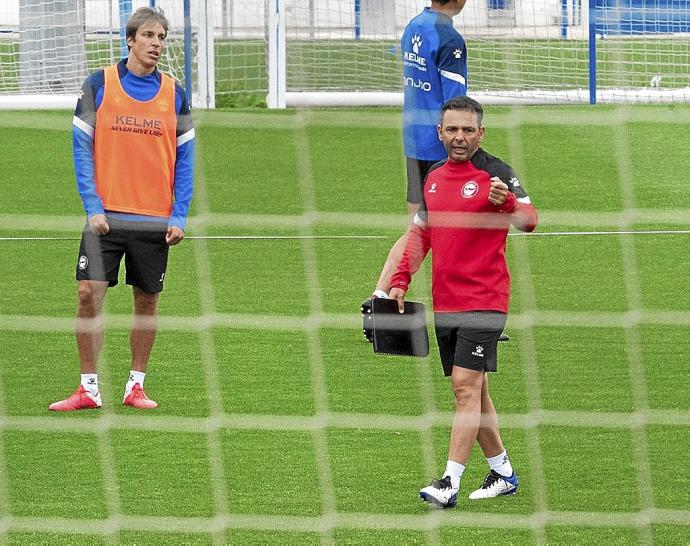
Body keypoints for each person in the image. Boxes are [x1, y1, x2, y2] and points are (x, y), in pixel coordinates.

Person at [388, 97, 538, 507]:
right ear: (440, 132)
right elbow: (421, 233)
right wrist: (399, 279)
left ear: (481, 133)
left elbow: (530, 221)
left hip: (486, 300)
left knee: (463, 387)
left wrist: (505, 202)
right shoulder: (433, 176)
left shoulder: (496, 173)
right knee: (477, 390)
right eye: (452, 129)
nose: (459, 137)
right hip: (446, 302)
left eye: (467, 130)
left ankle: (448, 482)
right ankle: (503, 471)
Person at [49, 7, 195, 411]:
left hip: (153, 218)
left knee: (146, 302)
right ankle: (88, 389)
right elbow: (81, 149)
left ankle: (136, 386)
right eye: (149, 35)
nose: (157, 44)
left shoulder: (175, 92)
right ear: (130, 39)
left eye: (162, 38)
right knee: (87, 294)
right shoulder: (99, 84)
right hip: (106, 217)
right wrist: (92, 206)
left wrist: (179, 215)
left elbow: (186, 158)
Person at [371, 0, 468, 300]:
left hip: (414, 142)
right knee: (459, 235)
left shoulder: (414, 26)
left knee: (417, 230)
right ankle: (468, 315)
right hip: (441, 151)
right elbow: (456, 108)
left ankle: (379, 296)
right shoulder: (450, 40)